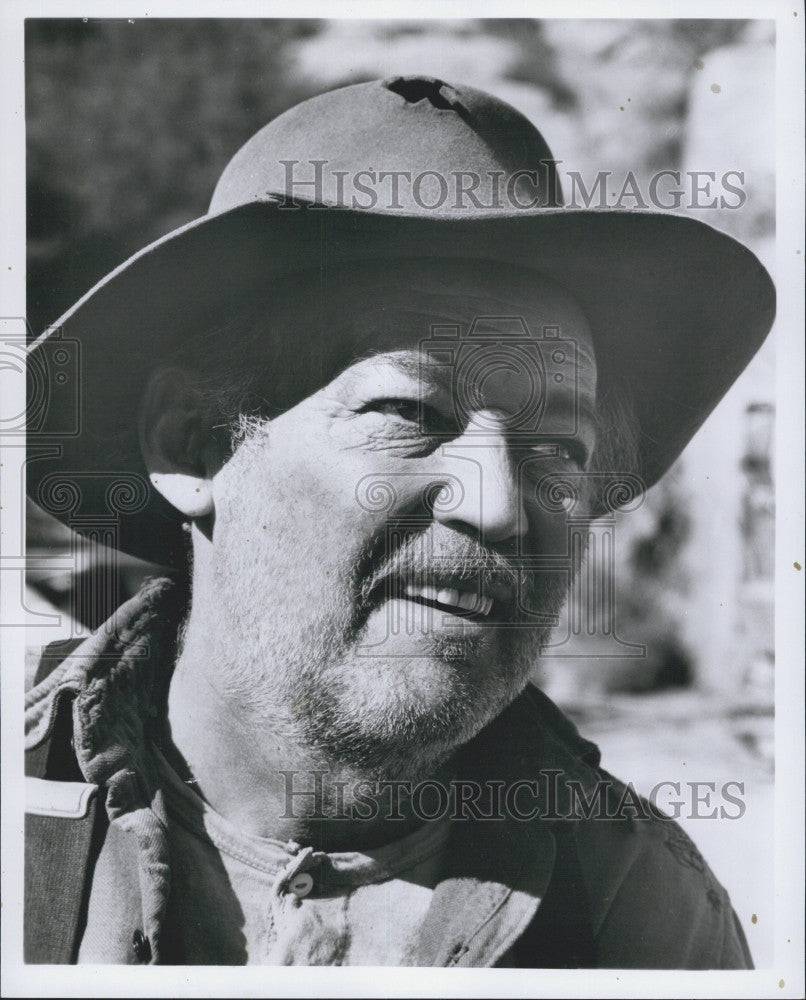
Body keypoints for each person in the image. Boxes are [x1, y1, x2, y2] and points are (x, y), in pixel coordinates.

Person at [24, 76, 775, 967]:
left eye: (559, 451)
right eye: (412, 415)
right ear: (192, 445)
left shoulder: (647, 921)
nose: (495, 506)